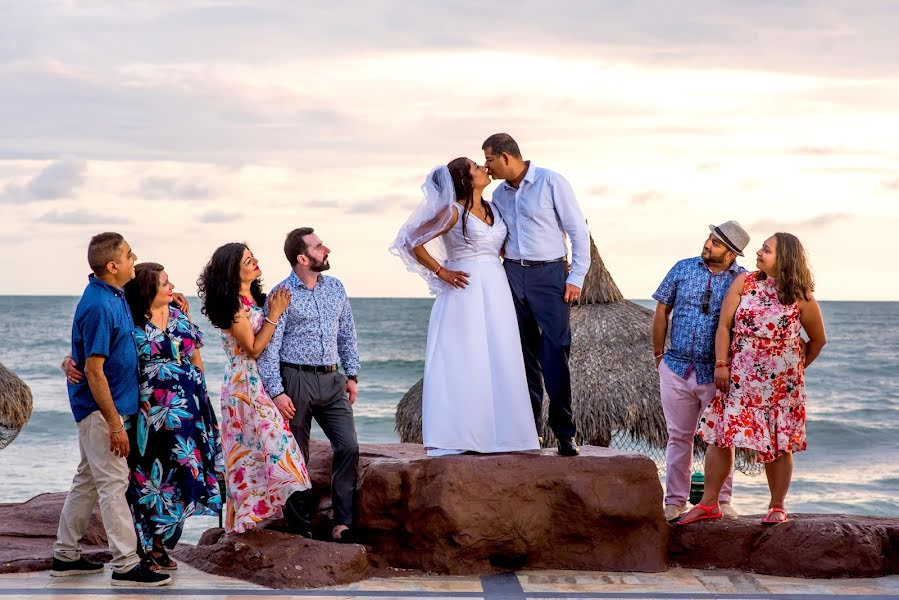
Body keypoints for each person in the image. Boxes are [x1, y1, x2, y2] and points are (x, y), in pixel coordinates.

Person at [391, 159, 540, 456]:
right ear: (464, 179)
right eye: (475, 166)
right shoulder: (453, 212)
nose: (483, 168)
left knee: (501, 354)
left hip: (496, 287)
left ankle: (506, 436)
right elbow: (412, 241)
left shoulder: (494, 208)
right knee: (467, 357)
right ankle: (462, 435)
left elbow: (503, 247)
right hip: (465, 290)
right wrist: (441, 271)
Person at [679, 233, 826, 525]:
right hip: (738, 381)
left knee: (778, 444)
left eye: (766, 250)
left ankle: (777, 506)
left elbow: (818, 340)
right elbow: (724, 326)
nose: (759, 252)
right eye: (762, 247)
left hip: (780, 391)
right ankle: (709, 503)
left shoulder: (802, 296)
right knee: (721, 438)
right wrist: (721, 364)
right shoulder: (744, 282)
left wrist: (794, 370)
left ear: (784, 259)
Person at [51, 232, 171, 587]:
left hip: (109, 410)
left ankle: (65, 554)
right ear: (113, 265)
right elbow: (93, 369)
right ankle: (126, 563)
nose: (135, 259)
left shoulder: (113, 297)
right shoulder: (100, 305)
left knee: (88, 480)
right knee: (112, 484)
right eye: (130, 255)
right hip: (103, 413)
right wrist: (115, 425)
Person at [483, 133, 590, 456]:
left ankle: (564, 432)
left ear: (505, 157)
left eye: (489, 159)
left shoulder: (551, 182)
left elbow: (577, 231)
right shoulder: (499, 195)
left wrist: (576, 276)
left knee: (556, 350)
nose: (486, 167)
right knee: (521, 354)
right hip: (513, 272)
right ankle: (528, 430)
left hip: (550, 274)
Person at [197, 243, 313, 535]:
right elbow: (253, 348)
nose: (255, 262)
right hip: (245, 386)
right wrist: (274, 315)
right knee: (260, 452)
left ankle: (292, 527)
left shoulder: (257, 299)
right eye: (248, 260)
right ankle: (251, 525)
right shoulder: (233, 306)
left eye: (253, 257)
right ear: (233, 271)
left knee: (272, 450)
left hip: (262, 382)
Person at [258, 228, 360, 543]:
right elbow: (269, 348)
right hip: (295, 379)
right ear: (302, 258)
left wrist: (352, 373)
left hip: (332, 380)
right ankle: (299, 527)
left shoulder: (336, 288)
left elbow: (347, 332)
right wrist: (276, 391)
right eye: (318, 246)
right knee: (295, 455)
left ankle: (343, 523)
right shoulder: (280, 295)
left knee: (348, 446)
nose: (326, 249)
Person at [121, 263, 223, 568]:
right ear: (147, 289)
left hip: (190, 410)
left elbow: (195, 356)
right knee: (152, 475)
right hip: (154, 413)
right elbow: (118, 362)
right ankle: (149, 546)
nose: (171, 286)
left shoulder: (179, 315)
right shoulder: (131, 322)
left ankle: (163, 542)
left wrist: (201, 398)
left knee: (184, 473)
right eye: (164, 283)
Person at [652, 221, 749, 522]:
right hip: (677, 367)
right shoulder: (682, 268)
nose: (708, 244)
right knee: (679, 437)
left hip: (717, 374)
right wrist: (659, 355)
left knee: (721, 438)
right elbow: (661, 312)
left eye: (716, 243)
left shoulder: (744, 281)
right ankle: (676, 501)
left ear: (731, 254)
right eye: (709, 238)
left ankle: (721, 499)